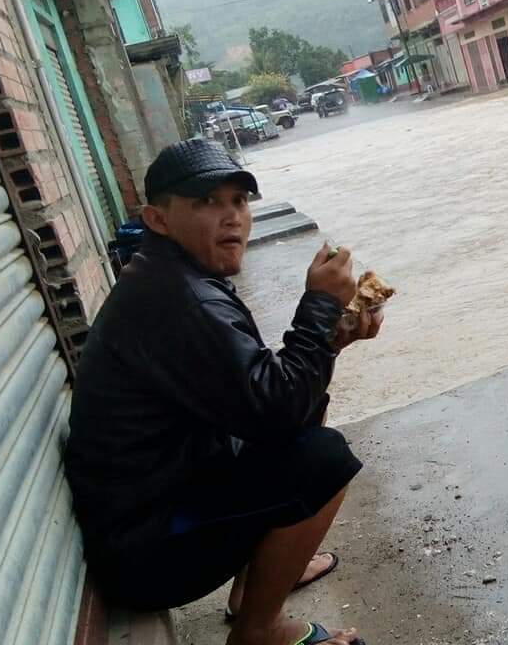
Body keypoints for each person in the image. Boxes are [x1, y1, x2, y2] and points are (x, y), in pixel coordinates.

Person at [65, 139, 379, 645]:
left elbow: (268, 400)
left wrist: (330, 340)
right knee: (324, 458)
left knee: (298, 423)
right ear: (158, 219)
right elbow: (277, 411)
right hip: (148, 551)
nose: (231, 216)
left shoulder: (175, 276)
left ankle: (257, 584)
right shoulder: (181, 298)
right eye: (206, 202)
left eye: (239, 200)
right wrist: (319, 307)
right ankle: (256, 631)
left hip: (159, 502)